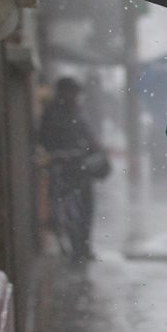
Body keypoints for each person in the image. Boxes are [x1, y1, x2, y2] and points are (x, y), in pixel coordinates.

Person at [39, 76, 107, 262]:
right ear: (63, 93)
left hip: (82, 172)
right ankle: (77, 251)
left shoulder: (77, 112)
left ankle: (83, 249)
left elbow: (89, 139)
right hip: (66, 175)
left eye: (76, 93)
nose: (75, 97)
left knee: (85, 213)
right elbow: (49, 144)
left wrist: (96, 154)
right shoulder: (53, 115)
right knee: (71, 215)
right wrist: (68, 156)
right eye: (72, 93)